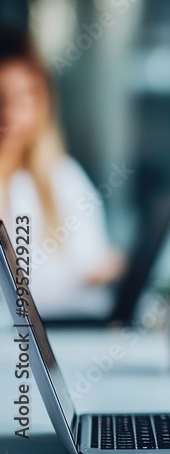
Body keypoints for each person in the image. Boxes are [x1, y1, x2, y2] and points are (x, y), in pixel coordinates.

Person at [0, 27, 124, 318]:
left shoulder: (62, 177)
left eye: (24, 98)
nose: (10, 114)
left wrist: (110, 269)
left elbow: (91, 263)